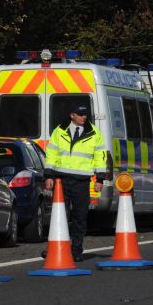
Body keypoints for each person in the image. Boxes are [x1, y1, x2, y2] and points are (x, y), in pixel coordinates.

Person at [43, 104, 107, 261]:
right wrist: (48, 175)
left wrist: (100, 178)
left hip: (82, 181)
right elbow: (51, 153)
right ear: (72, 115)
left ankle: (76, 250)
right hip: (61, 180)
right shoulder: (59, 131)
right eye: (80, 114)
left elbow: (100, 156)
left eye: (85, 114)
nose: (84, 117)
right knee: (59, 216)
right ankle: (56, 248)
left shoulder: (94, 133)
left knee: (80, 217)